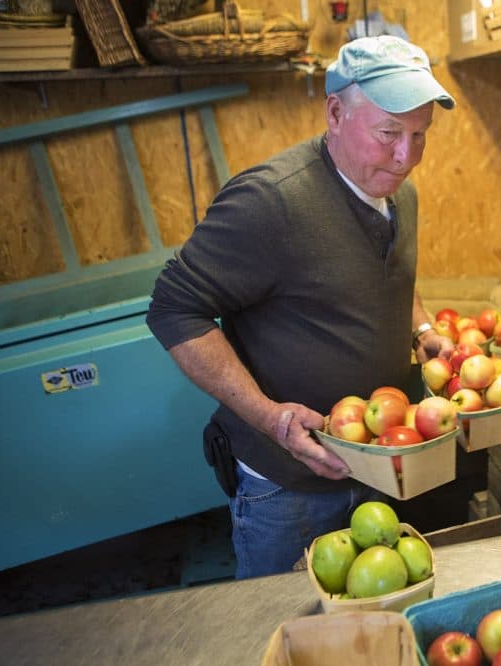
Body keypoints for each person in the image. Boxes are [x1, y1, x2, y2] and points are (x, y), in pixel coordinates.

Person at [146, 35, 456, 579]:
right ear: (335, 112)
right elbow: (173, 309)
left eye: (420, 134)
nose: (407, 156)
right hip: (286, 489)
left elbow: (389, 277)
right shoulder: (271, 203)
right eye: (389, 133)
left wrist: (422, 328)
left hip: (375, 466)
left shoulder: (397, 191)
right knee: (281, 632)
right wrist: (272, 419)